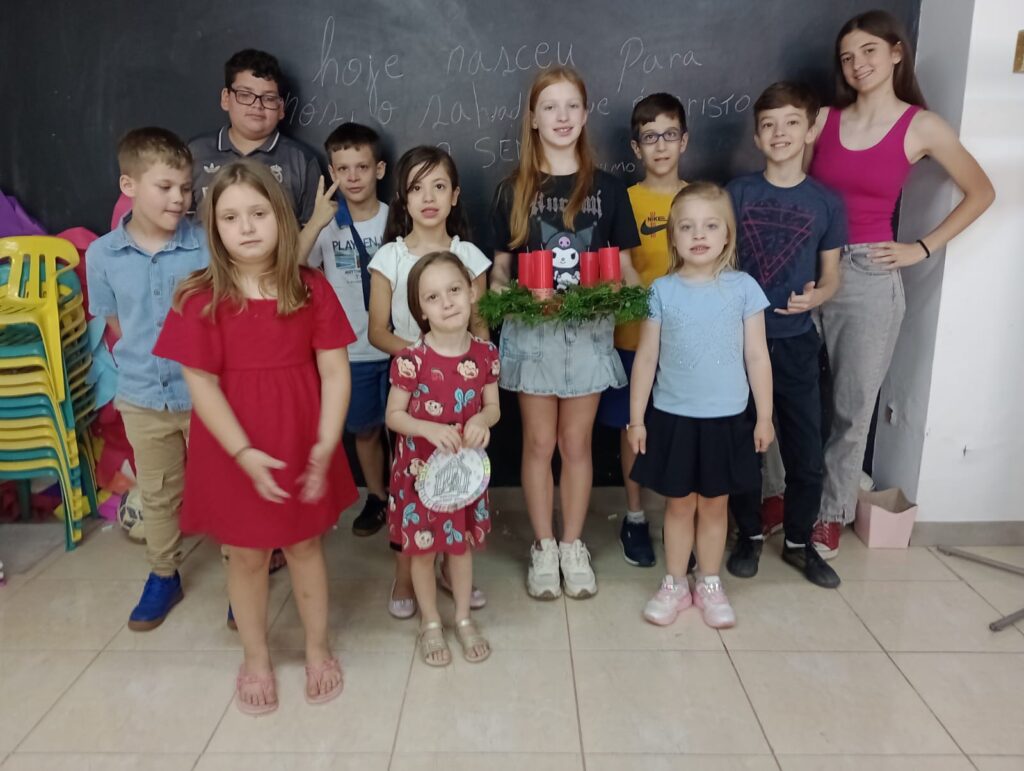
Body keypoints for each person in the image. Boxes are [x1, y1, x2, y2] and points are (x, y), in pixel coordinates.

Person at [154, 160, 358, 714]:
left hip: (300, 439)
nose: (245, 227)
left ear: (282, 218)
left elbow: (335, 371)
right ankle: (256, 657)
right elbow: (201, 384)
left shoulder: (310, 288)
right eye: (230, 217)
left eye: (258, 213)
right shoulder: (198, 297)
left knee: (305, 546)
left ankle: (317, 649)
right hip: (233, 446)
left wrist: (325, 442)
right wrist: (243, 453)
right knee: (244, 556)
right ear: (213, 227)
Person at [807, 10, 994, 557]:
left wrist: (921, 247)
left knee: (853, 405)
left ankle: (831, 514)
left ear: (895, 53)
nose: (857, 64)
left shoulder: (922, 126)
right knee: (779, 389)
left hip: (870, 274)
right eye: (847, 57)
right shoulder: (823, 120)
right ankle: (778, 497)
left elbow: (982, 192)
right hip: (809, 265)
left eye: (868, 51)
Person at [489, 66, 641, 601]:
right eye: (549, 106)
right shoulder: (513, 189)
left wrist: (625, 296)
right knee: (538, 442)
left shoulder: (609, 189)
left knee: (577, 443)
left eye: (571, 105)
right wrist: (517, 296)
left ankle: (573, 545)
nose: (561, 116)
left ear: (585, 114)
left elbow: (627, 270)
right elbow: (499, 274)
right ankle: (543, 544)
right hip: (533, 335)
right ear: (533, 118)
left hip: (589, 334)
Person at [629, 182, 773, 628]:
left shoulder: (744, 289)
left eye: (711, 226)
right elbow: (646, 358)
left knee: (714, 505)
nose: (699, 235)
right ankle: (675, 582)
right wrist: (636, 419)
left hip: (727, 420)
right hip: (673, 417)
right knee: (678, 506)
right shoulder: (661, 291)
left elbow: (757, 355)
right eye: (687, 227)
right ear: (672, 236)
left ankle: (709, 582)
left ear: (727, 235)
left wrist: (764, 416)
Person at [85, 127, 210, 631]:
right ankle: (163, 573)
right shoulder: (102, 256)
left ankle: (242, 571)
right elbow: (116, 324)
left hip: (206, 396)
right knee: (158, 491)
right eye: (165, 187)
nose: (179, 198)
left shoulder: (206, 245)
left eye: (186, 187)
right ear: (129, 185)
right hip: (142, 396)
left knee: (224, 488)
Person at [726, 82, 847, 588]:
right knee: (742, 447)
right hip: (740, 343)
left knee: (805, 451)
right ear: (757, 137)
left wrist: (817, 297)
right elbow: (719, 262)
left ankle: (799, 541)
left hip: (796, 341)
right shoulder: (737, 193)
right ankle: (749, 534)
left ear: (810, 130)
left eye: (792, 122)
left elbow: (832, 276)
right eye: (769, 125)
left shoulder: (826, 202)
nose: (780, 133)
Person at [368, 145, 491, 618]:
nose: (428, 197)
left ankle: (450, 567)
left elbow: (479, 328)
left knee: (458, 479)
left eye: (439, 186)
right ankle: (406, 572)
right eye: (417, 188)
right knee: (413, 489)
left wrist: (470, 374)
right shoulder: (390, 257)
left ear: (454, 195)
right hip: (412, 393)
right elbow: (377, 330)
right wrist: (425, 360)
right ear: (403, 197)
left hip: (463, 394)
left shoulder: (469, 256)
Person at [385, 251, 501, 666]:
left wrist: (482, 420)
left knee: (459, 547)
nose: (447, 302)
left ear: (471, 292)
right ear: (420, 309)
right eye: (433, 297)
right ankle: (431, 621)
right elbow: (393, 415)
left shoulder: (486, 354)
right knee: (421, 550)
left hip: (462, 475)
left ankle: (463, 617)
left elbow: (493, 407)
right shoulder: (411, 360)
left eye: (454, 290)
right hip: (420, 474)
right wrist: (427, 429)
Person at [597, 92, 689, 568]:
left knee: (676, 431)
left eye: (669, 135)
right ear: (636, 148)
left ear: (684, 141)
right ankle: (634, 516)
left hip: (684, 345)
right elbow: (618, 268)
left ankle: (678, 520)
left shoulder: (698, 199)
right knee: (633, 428)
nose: (660, 145)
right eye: (650, 137)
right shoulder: (622, 200)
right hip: (630, 338)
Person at [300, 122, 391, 536]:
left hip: (400, 345)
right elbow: (290, 270)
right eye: (342, 169)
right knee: (365, 431)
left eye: (362, 167)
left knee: (406, 431)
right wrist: (316, 223)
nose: (353, 177)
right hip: (352, 351)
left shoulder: (395, 219)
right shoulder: (326, 224)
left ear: (379, 170)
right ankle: (378, 497)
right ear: (331, 173)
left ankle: (409, 498)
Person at [189, 48, 321, 223]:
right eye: (245, 95)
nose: (257, 105)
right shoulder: (194, 153)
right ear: (226, 98)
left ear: (281, 108)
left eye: (268, 98)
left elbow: (313, 230)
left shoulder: (301, 161)